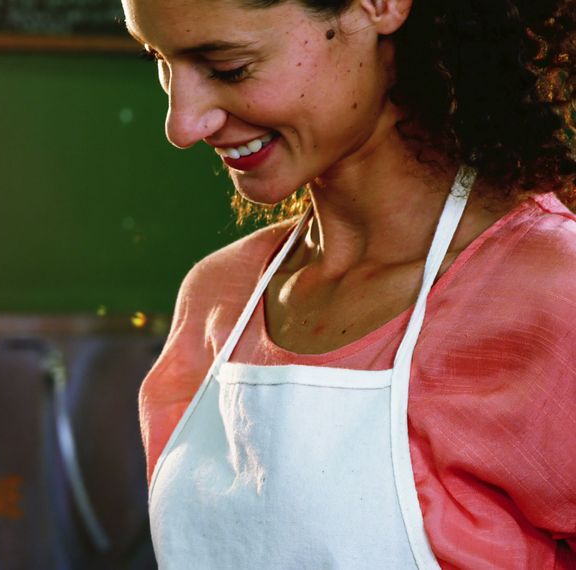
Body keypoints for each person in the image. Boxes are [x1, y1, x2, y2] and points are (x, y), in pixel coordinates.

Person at [123, 0, 576, 567]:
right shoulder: (220, 296)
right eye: (159, 60)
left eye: (229, 67)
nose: (183, 124)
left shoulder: (556, 296)